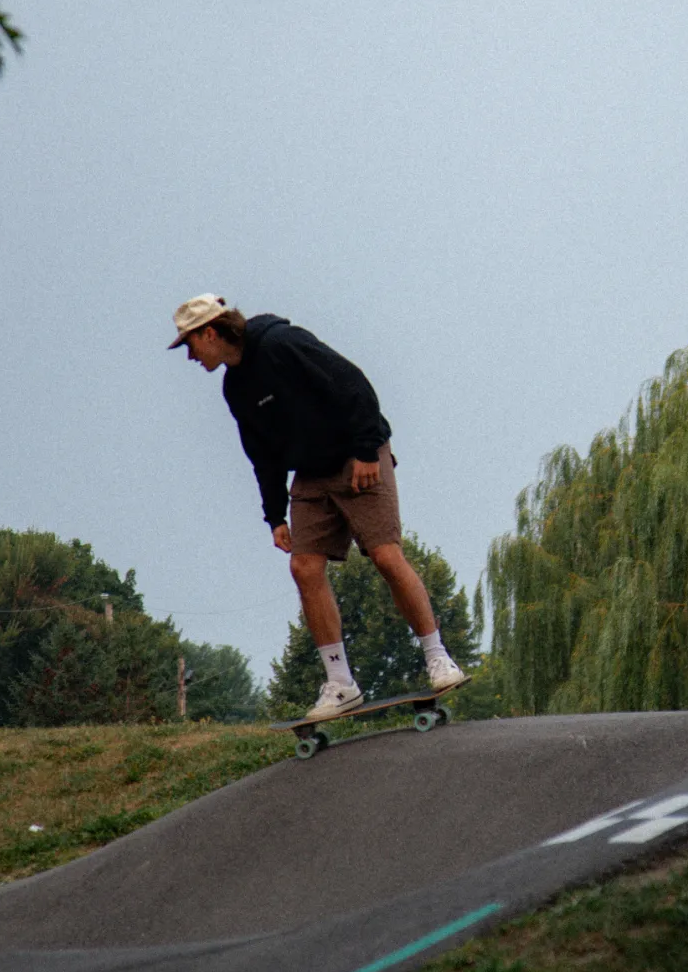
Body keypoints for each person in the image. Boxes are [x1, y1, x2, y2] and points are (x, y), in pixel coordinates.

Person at [169, 293, 467, 717]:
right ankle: (341, 683)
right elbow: (261, 454)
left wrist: (366, 450)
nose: (190, 357)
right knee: (304, 567)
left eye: (190, 345)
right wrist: (274, 515)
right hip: (310, 474)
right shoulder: (235, 387)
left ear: (210, 332)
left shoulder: (282, 344)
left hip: (357, 455)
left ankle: (437, 657)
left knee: (385, 556)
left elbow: (354, 384)